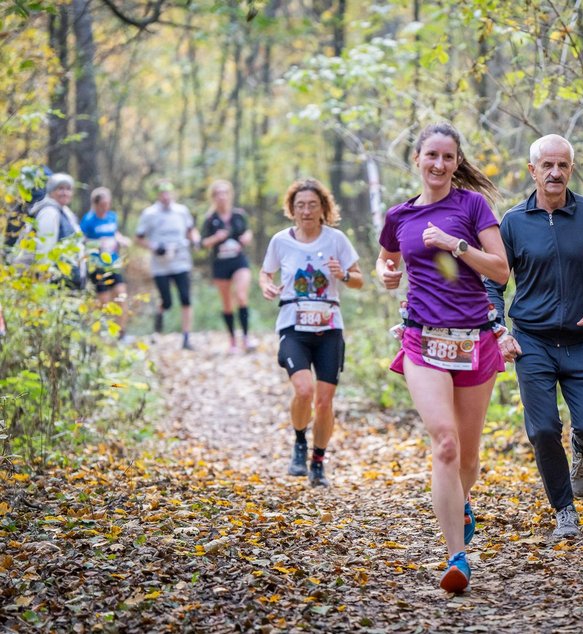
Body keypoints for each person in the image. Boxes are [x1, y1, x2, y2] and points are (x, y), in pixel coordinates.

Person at [376, 122, 509, 594]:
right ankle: (457, 556)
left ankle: (462, 501)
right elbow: (387, 257)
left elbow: (501, 270)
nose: (438, 164)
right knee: (446, 446)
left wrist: (456, 245)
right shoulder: (399, 215)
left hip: (473, 341)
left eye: (447, 157)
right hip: (422, 341)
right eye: (431, 155)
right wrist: (386, 274)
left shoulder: (472, 206)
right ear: (417, 159)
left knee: (468, 458)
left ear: (456, 163)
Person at [485, 134, 583, 540]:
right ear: (532, 171)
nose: (555, 172)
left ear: (571, 169)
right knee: (543, 429)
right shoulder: (512, 222)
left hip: (582, 341)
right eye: (547, 165)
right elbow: (493, 282)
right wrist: (498, 331)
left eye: (562, 165)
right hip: (533, 342)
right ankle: (564, 512)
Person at [259, 178, 363, 489]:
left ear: (323, 209)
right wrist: (266, 284)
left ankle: (318, 460)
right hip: (293, 324)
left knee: (324, 402)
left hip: (329, 326)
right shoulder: (280, 241)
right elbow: (265, 272)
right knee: (304, 390)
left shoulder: (336, 240)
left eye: (312, 205)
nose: (306, 211)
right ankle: (299, 441)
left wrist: (342, 274)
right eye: (300, 205)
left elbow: (358, 279)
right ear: (291, 210)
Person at [135, 180, 200, 350]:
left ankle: (186, 337)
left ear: (172, 194)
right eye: (162, 193)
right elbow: (139, 238)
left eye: (168, 192)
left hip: (181, 261)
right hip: (161, 264)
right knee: (167, 301)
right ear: (157, 195)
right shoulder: (149, 214)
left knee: (185, 298)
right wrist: (156, 247)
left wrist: (196, 240)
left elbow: (191, 230)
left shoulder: (181, 211)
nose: (165, 196)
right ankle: (158, 324)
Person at [200, 179, 256, 353]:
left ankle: (246, 337)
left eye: (225, 193)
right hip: (220, 263)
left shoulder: (239, 214)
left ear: (229, 195)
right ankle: (232, 341)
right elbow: (202, 244)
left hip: (239, 261)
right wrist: (216, 238)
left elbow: (248, 231)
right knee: (227, 303)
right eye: (218, 194)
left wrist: (248, 236)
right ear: (213, 197)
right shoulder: (210, 219)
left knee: (240, 296)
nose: (222, 197)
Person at [15, 172, 85, 289]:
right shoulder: (49, 212)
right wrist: (44, 280)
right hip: (54, 281)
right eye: (60, 188)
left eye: (68, 189)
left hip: (67, 280)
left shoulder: (66, 212)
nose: (65, 193)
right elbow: (44, 247)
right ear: (51, 191)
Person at [81, 187, 131, 338]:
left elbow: (114, 233)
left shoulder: (112, 217)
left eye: (107, 204)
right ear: (95, 204)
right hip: (97, 265)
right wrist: (97, 243)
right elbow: (81, 241)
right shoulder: (88, 220)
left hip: (114, 264)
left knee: (122, 296)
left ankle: (121, 332)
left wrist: (120, 239)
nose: (105, 208)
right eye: (102, 205)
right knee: (103, 301)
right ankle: (100, 335)